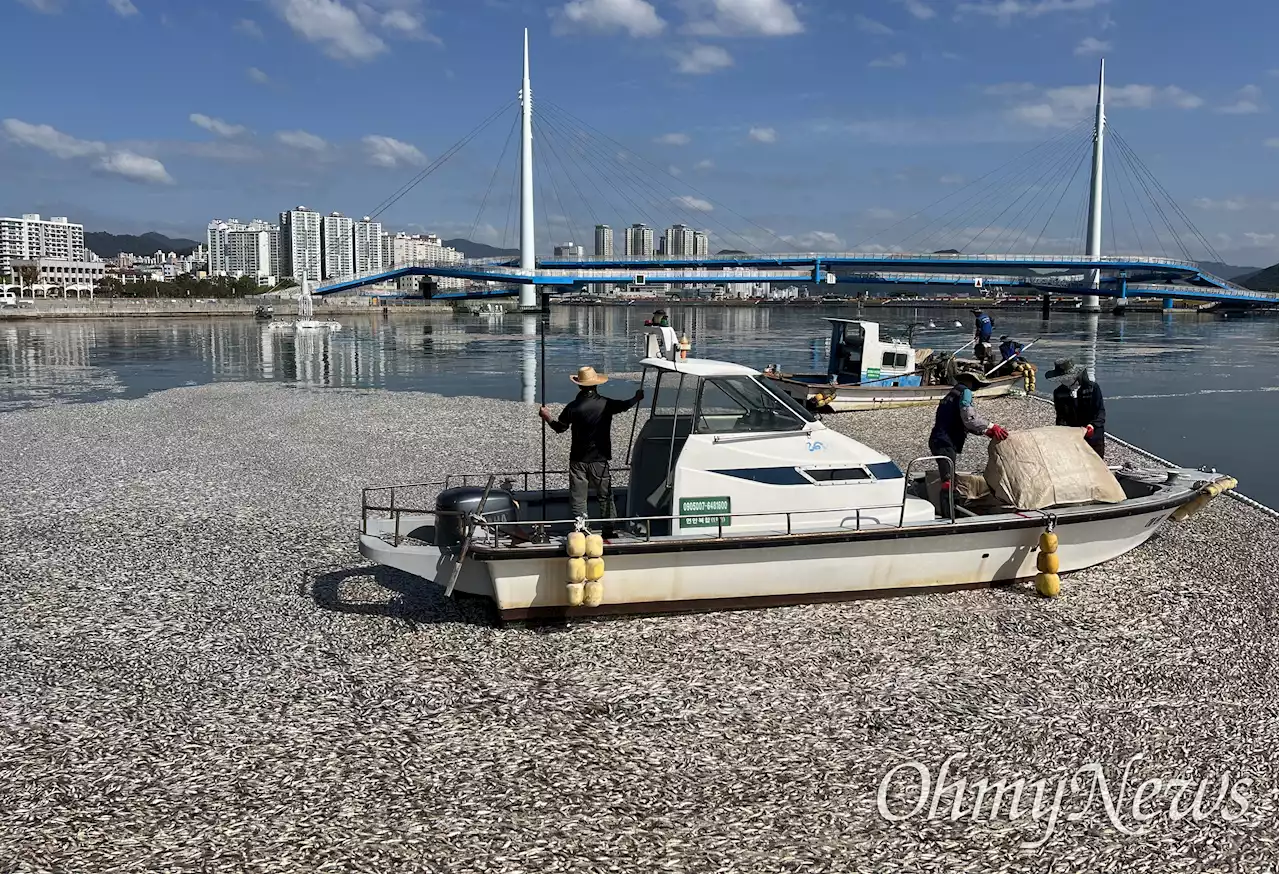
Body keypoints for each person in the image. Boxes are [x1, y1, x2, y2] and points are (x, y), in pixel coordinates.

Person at [539, 366, 645, 532]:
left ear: (580, 386)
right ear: (596, 385)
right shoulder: (606, 404)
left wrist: (547, 417)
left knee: (579, 498)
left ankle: (581, 530)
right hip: (599, 459)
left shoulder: (573, 407)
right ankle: (608, 530)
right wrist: (636, 398)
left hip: (578, 459)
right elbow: (624, 405)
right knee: (605, 496)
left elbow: (560, 428)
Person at [928, 371, 1010, 515]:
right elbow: (970, 418)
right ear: (971, 381)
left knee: (948, 475)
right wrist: (991, 426)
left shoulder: (952, 393)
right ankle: (949, 514)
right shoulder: (965, 393)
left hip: (938, 440)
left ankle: (950, 508)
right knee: (948, 480)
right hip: (944, 442)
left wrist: (984, 431)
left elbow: (961, 422)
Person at [1048, 358, 1106, 458]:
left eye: (1066, 377)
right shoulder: (1059, 392)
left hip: (1093, 435)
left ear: (1075, 375)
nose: (1064, 380)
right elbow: (1061, 416)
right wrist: (1061, 431)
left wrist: (1092, 425)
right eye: (1061, 378)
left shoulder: (1092, 388)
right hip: (1072, 437)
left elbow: (1100, 412)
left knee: (1094, 463)